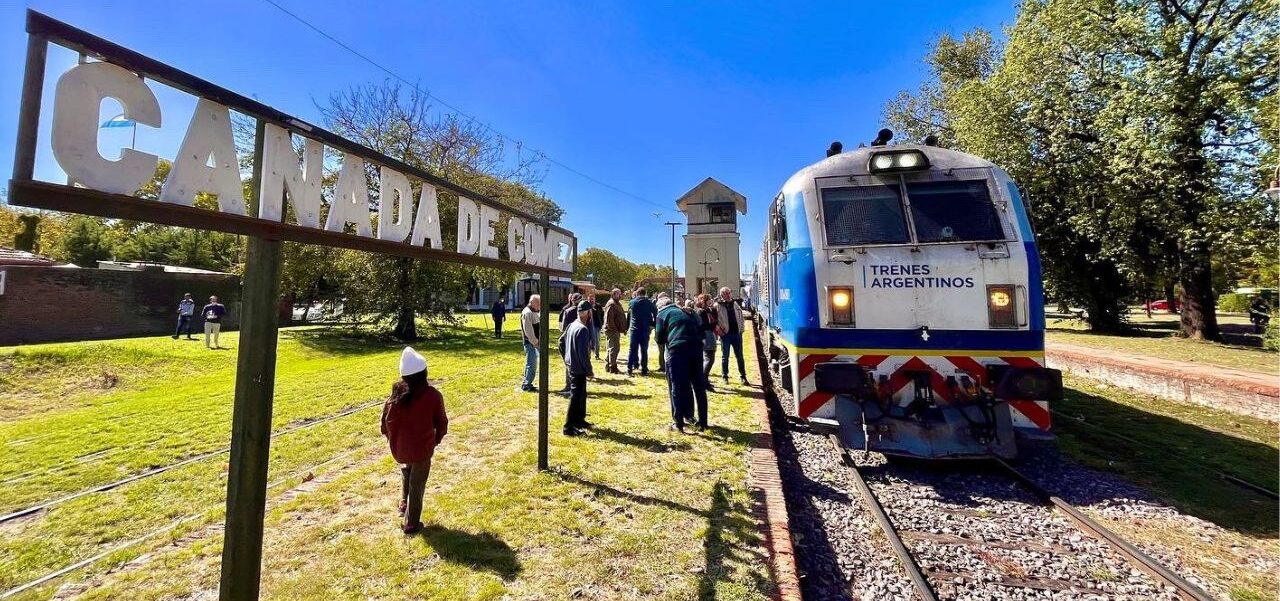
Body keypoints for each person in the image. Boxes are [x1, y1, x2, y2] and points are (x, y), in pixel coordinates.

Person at [381, 346, 448, 534]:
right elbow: (441, 423)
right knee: (417, 484)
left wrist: (393, 440)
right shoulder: (432, 395)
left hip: (400, 449)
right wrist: (435, 441)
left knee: (407, 468)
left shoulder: (395, 396)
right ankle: (411, 523)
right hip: (422, 448)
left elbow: (384, 424)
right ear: (424, 373)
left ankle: (404, 502)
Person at [656, 295, 709, 432]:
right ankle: (703, 422)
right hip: (696, 347)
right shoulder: (686, 311)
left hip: (677, 350)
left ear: (660, 306)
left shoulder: (662, 313)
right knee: (698, 386)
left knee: (677, 386)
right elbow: (700, 327)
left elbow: (659, 337)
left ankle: (678, 423)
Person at [561, 300, 595, 436]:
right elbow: (583, 354)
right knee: (575, 396)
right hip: (578, 368)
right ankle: (568, 427)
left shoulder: (572, 325)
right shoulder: (582, 329)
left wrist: (567, 358)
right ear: (588, 313)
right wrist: (589, 370)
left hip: (572, 365)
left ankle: (580, 420)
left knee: (581, 394)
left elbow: (560, 342)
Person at [715, 287, 749, 385]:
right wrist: (720, 331)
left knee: (740, 356)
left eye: (729, 292)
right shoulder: (718, 306)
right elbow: (714, 321)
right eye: (726, 293)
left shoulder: (735, 304)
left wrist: (741, 330)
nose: (728, 295)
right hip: (725, 335)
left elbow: (741, 317)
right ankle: (725, 376)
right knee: (725, 356)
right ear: (722, 295)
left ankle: (743, 376)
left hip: (736, 335)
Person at [626, 288, 657, 376]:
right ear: (645, 293)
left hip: (634, 329)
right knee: (644, 350)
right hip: (645, 329)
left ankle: (629, 368)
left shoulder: (632, 302)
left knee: (632, 350)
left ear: (638, 293)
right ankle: (644, 369)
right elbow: (655, 313)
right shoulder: (649, 303)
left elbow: (629, 313)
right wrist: (653, 324)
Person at [557, 293, 582, 394]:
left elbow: (563, 328)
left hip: (569, 341)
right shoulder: (586, 312)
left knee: (569, 365)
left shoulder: (568, 311)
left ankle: (570, 387)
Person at [695, 294, 719, 392]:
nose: (711, 301)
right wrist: (714, 325)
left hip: (709, 335)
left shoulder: (708, 310)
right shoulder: (701, 312)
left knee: (708, 358)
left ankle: (704, 379)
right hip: (706, 335)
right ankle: (703, 381)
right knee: (709, 359)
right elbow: (705, 325)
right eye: (709, 300)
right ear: (703, 301)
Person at [519, 295, 542, 392]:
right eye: (538, 303)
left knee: (533, 364)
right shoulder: (527, 312)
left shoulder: (534, 312)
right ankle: (526, 384)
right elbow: (528, 330)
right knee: (531, 364)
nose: (540, 305)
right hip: (530, 343)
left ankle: (528, 382)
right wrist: (535, 342)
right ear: (532, 302)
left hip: (535, 343)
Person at [602, 288, 627, 373]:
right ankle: (612, 367)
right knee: (614, 348)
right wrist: (614, 329)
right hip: (612, 330)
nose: (620, 295)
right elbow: (609, 319)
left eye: (620, 294)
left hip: (615, 329)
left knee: (612, 348)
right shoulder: (611, 304)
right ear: (613, 294)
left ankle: (609, 365)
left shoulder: (616, 303)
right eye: (618, 294)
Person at [654, 292, 670, 373]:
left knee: (665, 351)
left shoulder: (663, 310)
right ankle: (662, 366)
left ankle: (665, 366)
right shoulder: (659, 308)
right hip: (662, 332)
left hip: (666, 333)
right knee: (661, 351)